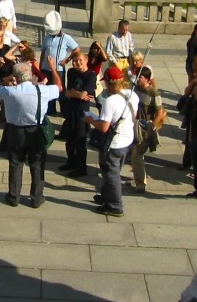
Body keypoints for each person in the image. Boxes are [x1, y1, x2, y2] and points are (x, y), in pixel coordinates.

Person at [0, 63, 61, 207]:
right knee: (37, 164)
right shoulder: (42, 90)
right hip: (36, 130)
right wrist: (53, 68)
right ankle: (37, 197)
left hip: (15, 130)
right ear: (31, 76)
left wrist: (9, 81)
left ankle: (14, 196)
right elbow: (59, 87)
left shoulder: (10, 91)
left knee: (15, 163)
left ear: (16, 77)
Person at [84, 66, 139, 217]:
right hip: (127, 140)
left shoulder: (110, 101)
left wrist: (91, 120)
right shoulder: (132, 95)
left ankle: (115, 205)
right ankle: (107, 196)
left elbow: (103, 127)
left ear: (109, 83)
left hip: (113, 144)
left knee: (111, 174)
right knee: (114, 171)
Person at [129, 68, 166, 193]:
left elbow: (160, 113)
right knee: (134, 154)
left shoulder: (153, 93)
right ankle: (137, 178)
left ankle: (140, 185)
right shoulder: (135, 89)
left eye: (140, 77)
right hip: (133, 125)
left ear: (147, 79)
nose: (137, 79)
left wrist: (152, 127)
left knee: (137, 155)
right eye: (137, 76)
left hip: (144, 128)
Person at [60, 52, 96, 179]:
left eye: (80, 60)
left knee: (80, 140)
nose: (76, 63)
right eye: (74, 61)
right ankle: (71, 162)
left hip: (82, 112)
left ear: (86, 60)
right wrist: (78, 94)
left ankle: (81, 168)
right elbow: (67, 92)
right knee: (69, 138)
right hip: (71, 109)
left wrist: (76, 94)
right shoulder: (71, 72)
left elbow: (82, 95)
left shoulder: (90, 75)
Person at [39, 22, 79, 115]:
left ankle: (64, 110)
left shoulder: (66, 37)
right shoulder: (47, 37)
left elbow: (76, 49)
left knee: (60, 89)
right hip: (46, 68)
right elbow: (43, 52)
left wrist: (68, 59)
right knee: (49, 88)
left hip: (58, 68)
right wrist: (41, 65)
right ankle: (51, 109)